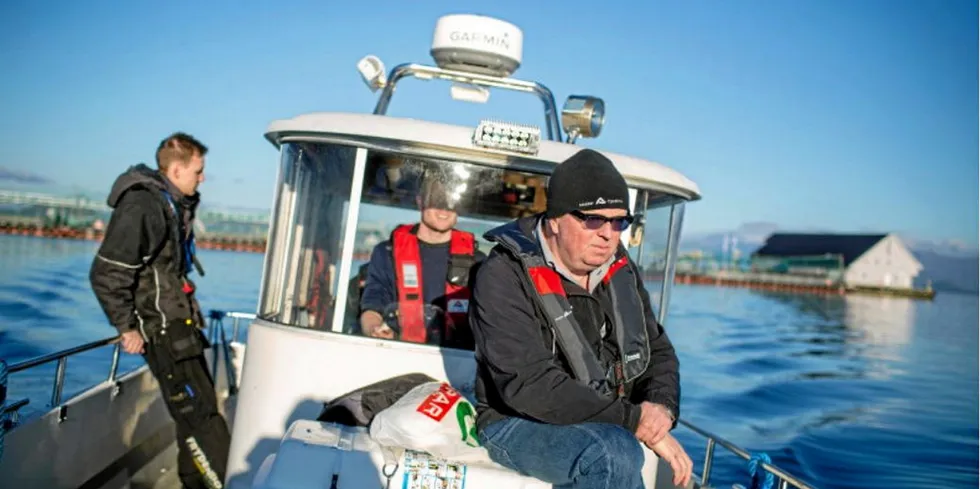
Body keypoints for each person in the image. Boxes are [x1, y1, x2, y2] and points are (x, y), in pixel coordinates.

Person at [469, 149, 693, 489]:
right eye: (593, 219)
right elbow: (529, 385)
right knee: (611, 452)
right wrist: (633, 421)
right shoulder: (503, 273)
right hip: (514, 420)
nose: (608, 233)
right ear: (556, 220)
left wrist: (660, 408)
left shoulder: (620, 268)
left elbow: (657, 351)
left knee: (618, 447)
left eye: (619, 221)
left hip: (605, 417)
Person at [89, 132, 229, 489]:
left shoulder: (170, 203)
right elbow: (107, 273)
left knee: (199, 414)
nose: (202, 178)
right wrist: (127, 327)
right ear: (177, 169)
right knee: (202, 420)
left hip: (180, 323)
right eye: (198, 171)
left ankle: (193, 482)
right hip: (163, 331)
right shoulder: (143, 206)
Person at [358, 171, 486, 349]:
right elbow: (372, 307)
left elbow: (491, 319)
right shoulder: (386, 253)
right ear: (420, 201)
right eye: (436, 201)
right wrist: (375, 331)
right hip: (398, 352)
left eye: (451, 203)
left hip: (458, 361)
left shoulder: (479, 262)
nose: (444, 210)